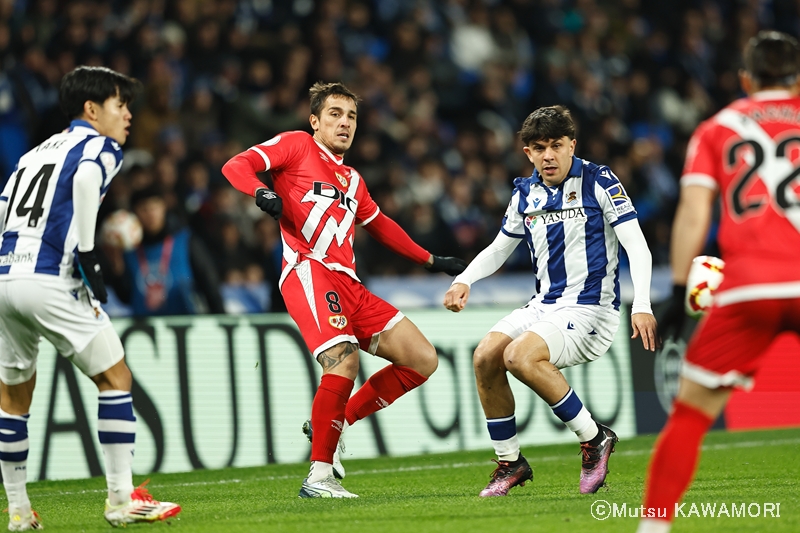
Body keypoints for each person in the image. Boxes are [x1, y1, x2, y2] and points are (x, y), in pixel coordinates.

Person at [221, 81, 466, 498]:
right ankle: (318, 478)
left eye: (351, 116)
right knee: (344, 363)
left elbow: (382, 225)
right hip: (308, 271)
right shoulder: (297, 145)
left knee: (422, 359)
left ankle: (336, 423)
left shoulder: (353, 179)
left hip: (350, 284)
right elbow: (235, 165)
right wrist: (261, 190)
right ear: (315, 120)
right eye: (334, 114)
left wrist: (431, 260)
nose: (344, 123)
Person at [443, 105, 658, 497]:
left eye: (557, 146)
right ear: (527, 152)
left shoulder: (599, 181)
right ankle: (510, 463)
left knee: (519, 356)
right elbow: (498, 248)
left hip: (592, 308)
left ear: (572, 145)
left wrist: (641, 303)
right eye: (539, 147)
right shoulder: (525, 193)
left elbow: (637, 246)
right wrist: (464, 279)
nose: (548, 155)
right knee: (485, 356)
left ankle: (594, 439)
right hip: (544, 304)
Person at [0, 66, 181, 530]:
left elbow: (2, 208)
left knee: (13, 399)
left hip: (6, 279)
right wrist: (88, 255)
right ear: (92, 108)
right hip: (50, 280)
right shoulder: (100, 146)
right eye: (121, 105)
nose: (128, 114)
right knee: (115, 378)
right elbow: (84, 182)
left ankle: (18, 512)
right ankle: (122, 500)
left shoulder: (32, 155)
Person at [638, 31, 800, 533]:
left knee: (691, 414)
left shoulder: (717, 128)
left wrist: (679, 286)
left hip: (747, 289)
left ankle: (653, 528)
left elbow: (692, 213)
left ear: (746, 79)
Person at [102, 184, 226, 316]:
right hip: (144, 328)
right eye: (144, 209)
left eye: (154, 207)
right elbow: (126, 298)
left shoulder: (185, 241)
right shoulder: (128, 250)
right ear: (135, 213)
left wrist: (221, 320)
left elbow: (209, 283)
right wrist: (118, 271)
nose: (150, 214)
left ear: (163, 208)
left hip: (183, 325)